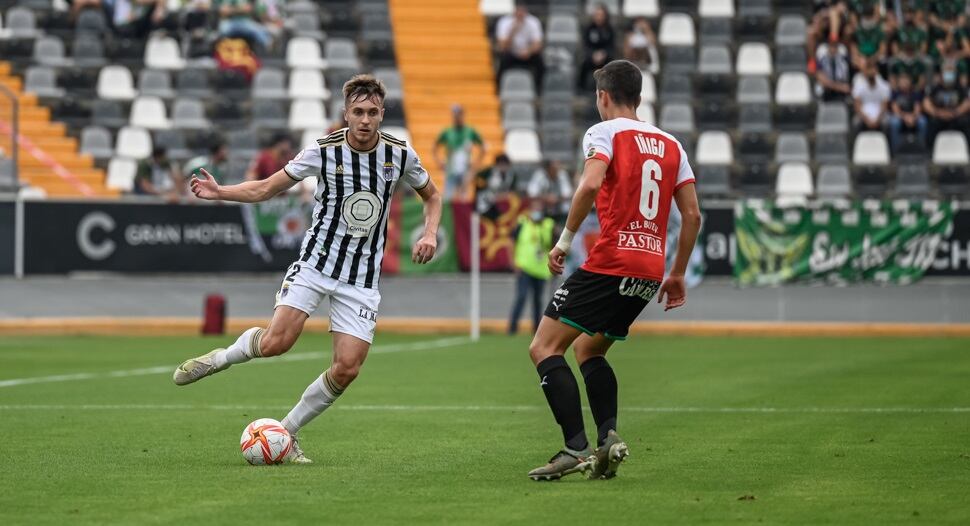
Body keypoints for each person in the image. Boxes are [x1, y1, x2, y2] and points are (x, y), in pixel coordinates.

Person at [172, 75, 443, 464]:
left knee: (347, 368)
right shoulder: (322, 151)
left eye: (372, 112)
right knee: (276, 343)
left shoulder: (399, 154)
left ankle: (286, 432)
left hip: (361, 278)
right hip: (316, 264)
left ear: (382, 114)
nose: (365, 120)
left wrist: (430, 233)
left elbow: (432, 196)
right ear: (345, 114)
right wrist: (221, 192)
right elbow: (267, 188)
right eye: (358, 112)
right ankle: (221, 358)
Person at [524, 60, 700, 481]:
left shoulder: (603, 132)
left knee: (544, 348)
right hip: (650, 269)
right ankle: (608, 441)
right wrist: (677, 273)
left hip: (612, 261)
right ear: (638, 97)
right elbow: (692, 215)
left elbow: (589, 184)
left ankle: (575, 449)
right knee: (589, 350)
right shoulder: (672, 144)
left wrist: (563, 242)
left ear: (602, 96)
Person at [508, 200, 555, 335]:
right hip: (524, 267)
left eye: (539, 209)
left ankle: (536, 330)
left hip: (541, 269)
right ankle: (512, 328)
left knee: (538, 300)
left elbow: (555, 244)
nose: (536, 212)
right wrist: (513, 261)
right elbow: (511, 241)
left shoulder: (549, 225)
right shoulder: (522, 223)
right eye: (534, 209)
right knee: (521, 297)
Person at [433, 105, 486, 202]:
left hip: (465, 170)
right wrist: (438, 161)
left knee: (463, 199)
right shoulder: (447, 132)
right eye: (455, 115)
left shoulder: (470, 131)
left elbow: (482, 146)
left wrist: (476, 163)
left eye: (459, 115)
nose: (457, 117)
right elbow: (435, 146)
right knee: (448, 198)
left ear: (463, 115)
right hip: (451, 170)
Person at [495, 2, 544, 86]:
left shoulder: (533, 21)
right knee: (502, 63)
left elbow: (538, 44)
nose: (520, 14)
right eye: (518, 11)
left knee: (540, 64)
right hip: (511, 53)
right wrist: (512, 31)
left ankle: (538, 88)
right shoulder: (504, 22)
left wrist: (528, 51)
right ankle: (499, 87)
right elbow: (503, 46)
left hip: (528, 53)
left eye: (522, 11)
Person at [923, 61, 970, 143]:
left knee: (965, 122)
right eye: (947, 71)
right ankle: (929, 148)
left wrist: (955, 112)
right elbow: (926, 103)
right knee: (932, 123)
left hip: (956, 116)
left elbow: (967, 103)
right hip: (939, 116)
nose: (949, 73)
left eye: (951, 71)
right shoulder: (936, 87)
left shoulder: (960, 87)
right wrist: (937, 112)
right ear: (942, 73)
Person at [578, 4, 615, 90]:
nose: (599, 17)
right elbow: (586, 45)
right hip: (591, 56)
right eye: (597, 15)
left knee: (612, 66)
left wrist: (603, 54)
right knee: (584, 64)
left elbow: (611, 46)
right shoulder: (589, 28)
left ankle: (610, 89)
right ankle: (581, 89)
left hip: (605, 57)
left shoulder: (609, 29)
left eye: (601, 15)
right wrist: (593, 54)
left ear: (605, 16)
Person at [888, 74, 928, 151]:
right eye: (902, 81)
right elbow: (895, 109)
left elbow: (917, 108)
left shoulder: (915, 93)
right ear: (898, 82)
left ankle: (921, 147)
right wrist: (905, 117)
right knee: (894, 122)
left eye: (906, 81)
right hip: (900, 116)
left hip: (913, 116)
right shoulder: (895, 94)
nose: (904, 83)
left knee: (923, 121)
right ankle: (895, 149)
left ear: (910, 82)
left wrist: (913, 117)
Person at [473, 153, 519, 219]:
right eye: (501, 164)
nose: (503, 167)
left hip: (502, 201)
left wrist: (503, 195)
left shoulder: (512, 175)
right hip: (487, 199)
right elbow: (478, 181)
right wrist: (486, 186)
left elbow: (512, 191)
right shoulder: (489, 172)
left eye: (505, 164)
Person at [851, 60, 892, 133]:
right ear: (865, 71)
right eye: (868, 69)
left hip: (879, 115)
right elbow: (857, 107)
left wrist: (877, 120)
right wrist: (867, 120)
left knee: (887, 123)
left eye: (873, 69)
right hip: (863, 115)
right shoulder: (858, 85)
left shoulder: (884, 86)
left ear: (876, 71)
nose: (871, 72)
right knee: (856, 122)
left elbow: (884, 107)